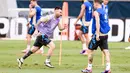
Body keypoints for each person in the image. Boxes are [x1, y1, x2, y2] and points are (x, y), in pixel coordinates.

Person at [81, 0, 111, 73]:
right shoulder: (104, 12)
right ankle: (108, 69)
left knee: (90, 51)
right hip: (105, 35)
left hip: (98, 35)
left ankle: (89, 68)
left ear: (96, 3)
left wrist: (97, 34)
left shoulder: (96, 12)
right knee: (106, 52)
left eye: (93, 3)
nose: (93, 5)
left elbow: (98, 23)